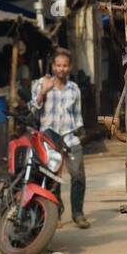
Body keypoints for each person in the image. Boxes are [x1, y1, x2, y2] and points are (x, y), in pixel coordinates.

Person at [30, 47, 89, 228]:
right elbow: (33, 109)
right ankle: (54, 216)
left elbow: (77, 115)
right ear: (53, 66)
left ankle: (78, 214)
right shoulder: (42, 84)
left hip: (70, 138)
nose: (61, 69)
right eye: (58, 65)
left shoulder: (74, 89)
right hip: (49, 140)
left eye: (64, 66)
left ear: (69, 67)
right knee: (51, 179)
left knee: (78, 177)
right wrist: (43, 92)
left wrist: (81, 133)